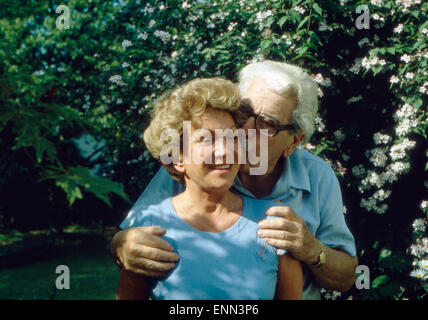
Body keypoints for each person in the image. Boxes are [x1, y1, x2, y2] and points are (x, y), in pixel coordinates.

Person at [112, 60, 358, 299]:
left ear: (293, 141)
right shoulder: (193, 167)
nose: (246, 129)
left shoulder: (317, 177)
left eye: (267, 123)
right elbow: (135, 233)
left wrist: (311, 249)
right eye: (245, 112)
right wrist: (120, 246)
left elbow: (346, 277)